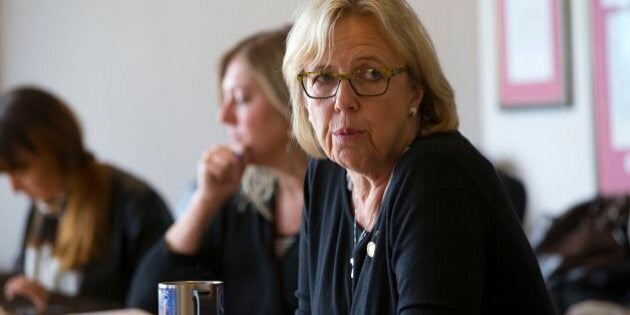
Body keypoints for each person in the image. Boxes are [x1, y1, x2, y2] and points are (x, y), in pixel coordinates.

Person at [282, 0, 555, 314]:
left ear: (414, 90)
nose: (343, 101)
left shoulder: (437, 176)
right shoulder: (324, 175)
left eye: (371, 74)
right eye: (323, 77)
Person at [127, 25, 307, 314]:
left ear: (290, 100)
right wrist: (204, 202)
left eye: (240, 99)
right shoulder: (238, 200)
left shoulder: (345, 198)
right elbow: (146, 302)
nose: (222, 116)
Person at [0, 87, 173, 313]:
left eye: (20, 169)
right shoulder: (42, 205)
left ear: (55, 148)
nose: (13, 187)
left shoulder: (136, 204)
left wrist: (52, 300)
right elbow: (23, 284)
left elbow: (152, 307)